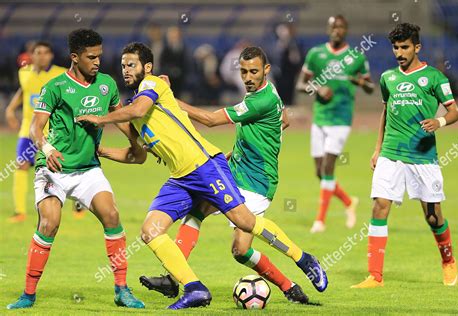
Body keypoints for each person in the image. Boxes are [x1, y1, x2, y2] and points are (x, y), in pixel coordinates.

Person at [77, 42, 328, 310]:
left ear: (147, 67)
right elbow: (136, 154)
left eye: (132, 65)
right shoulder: (137, 105)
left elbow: (206, 119)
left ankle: (303, 259)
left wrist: (100, 118)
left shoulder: (153, 86)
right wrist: (100, 150)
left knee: (243, 230)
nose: (247, 77)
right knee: (153, 230)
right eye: (123, 65)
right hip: (186, 175)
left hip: (228, 172)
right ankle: (192, 287)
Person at [140, 46, 309, 304]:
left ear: (266, 70)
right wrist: (244, 149)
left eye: (253, 71)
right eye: (243, 72)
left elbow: (208, 120)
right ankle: (174, 279)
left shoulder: (261, 99)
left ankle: (300, 266)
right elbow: (284, 118)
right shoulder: (269, 92)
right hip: (237, 171)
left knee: (241, 250)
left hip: (256, 182)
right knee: (196, 210)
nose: (248, 77)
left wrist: (169, 98)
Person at [6, 29, 145, 310]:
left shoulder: (106, 84)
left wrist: (136, 141)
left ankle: (121, 289)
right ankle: (28, 294)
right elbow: (35, 126)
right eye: (91, 57)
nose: (97, 62)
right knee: (50, 222)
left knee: (112, 214)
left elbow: (119, 117)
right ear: (74, 57)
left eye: (99, 56)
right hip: (53, 168)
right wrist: (46, 148)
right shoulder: (55, 87)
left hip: (87, 170)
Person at [351, 23, 458, 289]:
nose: (399, 52)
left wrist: (440, 123)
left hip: (423, 157)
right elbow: (385, 113)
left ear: (417, 47)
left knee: (433, 216)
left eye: (404, 47)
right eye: (396, 47)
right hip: (391, 153)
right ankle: (375, 276)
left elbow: (454, 111)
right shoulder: (388, 77)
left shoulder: (434, 77)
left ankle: (448, 261)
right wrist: (377, 149)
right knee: (379, 206)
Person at [296, 15, 374, 233]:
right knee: (319, 172)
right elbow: (300, 84)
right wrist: (317, 88)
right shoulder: (316, 54)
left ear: (346, 29)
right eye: (333, 26)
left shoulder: (356, 57)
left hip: (341, 118)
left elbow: (370, 87)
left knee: (328, 167)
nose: (336, 30)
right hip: (320, 117)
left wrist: (360, 82)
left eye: (340, 26)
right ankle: (349, 202)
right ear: (328, 29)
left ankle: (320, 220)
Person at [5, 41, 66, 223]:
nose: (42, 56)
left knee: (62, 169)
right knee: (22, 165)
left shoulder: (60, 74)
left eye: (46, 53)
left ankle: (77, 203)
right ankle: (20, 211)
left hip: (53, 130)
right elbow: (25, 90)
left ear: (51, 55)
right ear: (32, 55)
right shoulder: (24, 73)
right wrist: (10, 108)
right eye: (38, 52)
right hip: (28, 129)